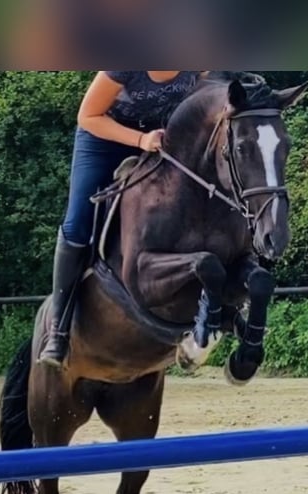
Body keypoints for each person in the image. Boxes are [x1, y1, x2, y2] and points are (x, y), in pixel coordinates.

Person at [38, 71, 204, 368]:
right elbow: (88, 116)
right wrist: (140, 139)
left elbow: (213, 89)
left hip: (161, 137)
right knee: (77, 224)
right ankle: (59, 333)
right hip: (104, 139)